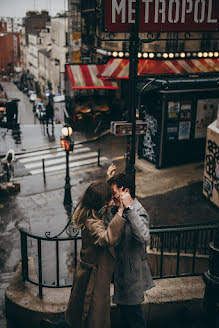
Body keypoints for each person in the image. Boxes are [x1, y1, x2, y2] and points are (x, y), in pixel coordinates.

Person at [64, 181, 126, 328]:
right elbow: (107, 238)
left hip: (91, 273)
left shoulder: (91, 212)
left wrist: (107, 182)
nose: (112, 202)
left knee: (83, 310)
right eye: (109, 199)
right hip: (94, 277)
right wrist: (121, 212)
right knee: (93, 314)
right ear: (101, 203)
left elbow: (97, 194)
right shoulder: (92, 223)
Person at [106, 164, 155, 328]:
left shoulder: (138, 211)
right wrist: (109, 186)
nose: (113, 197)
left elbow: (144, 236)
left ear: (125, 191)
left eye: (114, 193)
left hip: (132, 278)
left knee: (135, 319)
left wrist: (129, 208)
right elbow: (109, 228)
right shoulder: (117, 208)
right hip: (120, 275)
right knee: (126, 317)